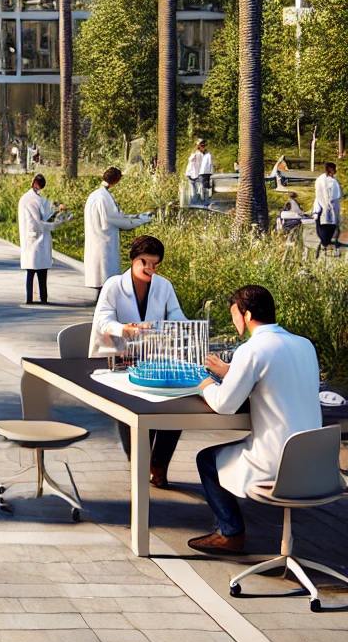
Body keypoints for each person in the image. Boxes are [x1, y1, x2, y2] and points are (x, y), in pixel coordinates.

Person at [189, 284, 322, 555]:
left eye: (234, 314)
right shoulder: (304, 345)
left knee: (207, 459)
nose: (233, 320)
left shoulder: (251, 350)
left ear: (247, 315)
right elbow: (276, 378)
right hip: (315, 461)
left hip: (276, 462)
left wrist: (204, 385)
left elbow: (226, 405)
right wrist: (232, 372)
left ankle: (230, 534)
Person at [92, 234, 185, 488]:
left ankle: (159, 463)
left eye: (155, 264)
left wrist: (184, 328)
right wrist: (124, 329)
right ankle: (139, 463)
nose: (150, 269)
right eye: (144, 262)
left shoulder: (163, 286)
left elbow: (176, 314)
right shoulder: (113, 285)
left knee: (174, 409)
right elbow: (103, 319)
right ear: (133, 259)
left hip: (156, 357)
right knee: (132, 411)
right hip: (123, 358)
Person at [83, 168, 151, 293]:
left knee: (100, 275)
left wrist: (134, 217)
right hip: (105, 240)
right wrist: (140, 220)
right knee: (106, 276)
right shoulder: (105, 197)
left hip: (95, 238)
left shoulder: (94, 195)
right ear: (116, 180)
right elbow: (117, 219)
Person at [17, 173, 63, 305]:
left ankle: (31, 298)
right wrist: (56, 213)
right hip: (36, 236)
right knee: (39, 271)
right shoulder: (34, 200)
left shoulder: (28, 198)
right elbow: (43, 219)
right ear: (37, 185)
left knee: (33, 270)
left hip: (32, 237)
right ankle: (41, 298)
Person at [313, 162, 342, 258]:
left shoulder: (328, 180)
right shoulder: (327, 180)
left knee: (327, 225)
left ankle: (325, 242)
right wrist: (326, 204)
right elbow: (333, 195)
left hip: (327, 206)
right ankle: (324, 242)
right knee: (326, 225)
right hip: (326, 206)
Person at [185, 138, 213, 204]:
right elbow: (190, 159)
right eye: (201, 146)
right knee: (193, 192)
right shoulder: (195, 154)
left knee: (200, 190)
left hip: (198, 175)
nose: (203, 147)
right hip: (191, 174)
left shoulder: (205, 154)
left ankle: (200, 203)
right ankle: (194, 204)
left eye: (204, 146)